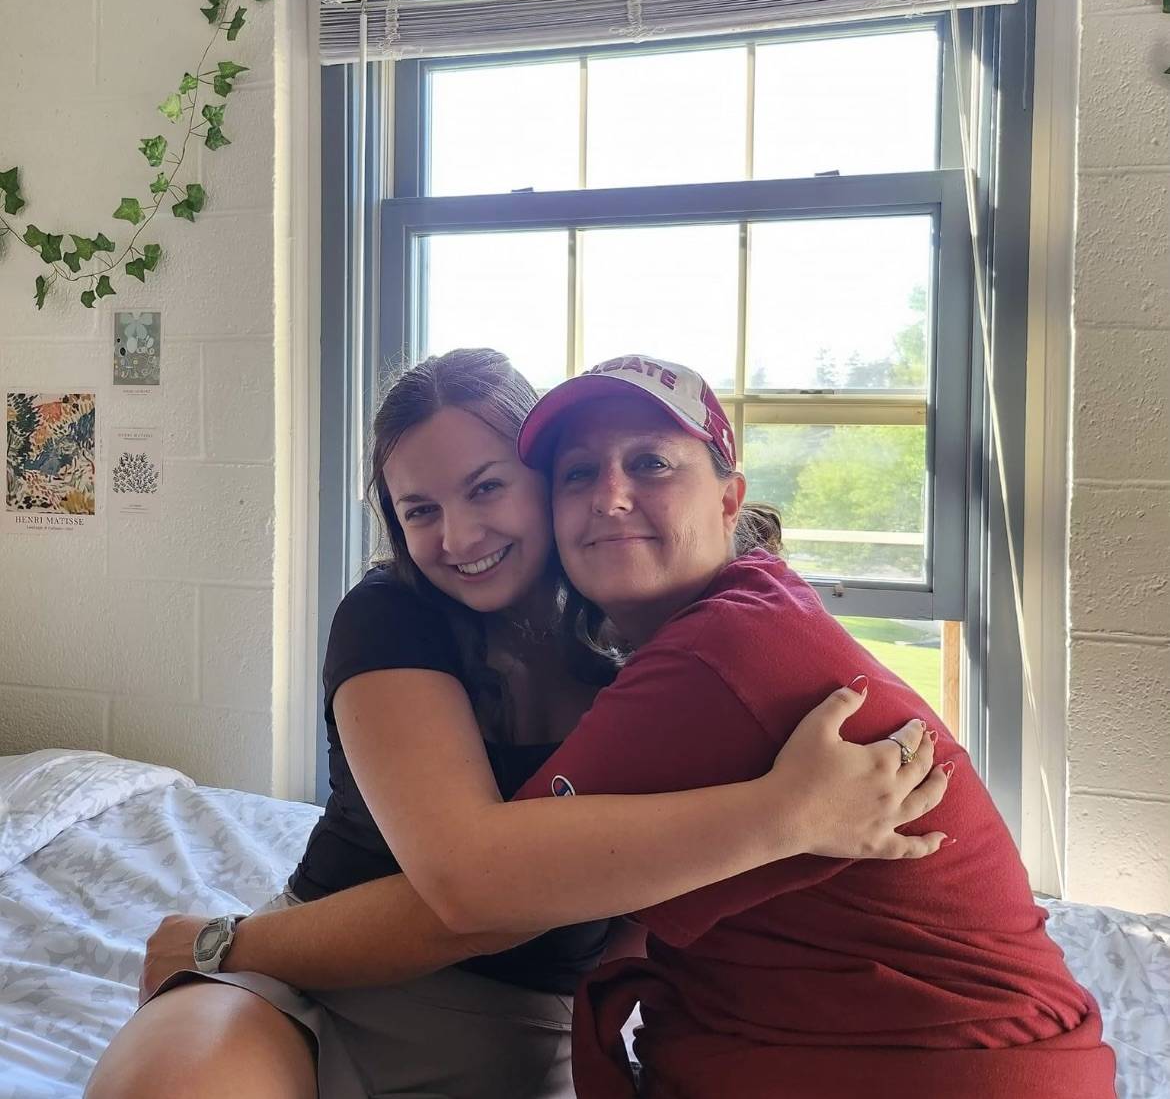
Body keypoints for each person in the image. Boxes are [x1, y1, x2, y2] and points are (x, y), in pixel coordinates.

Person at [86, 348, 946, 1099]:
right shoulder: (389, 613)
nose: (459, 536)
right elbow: (471, 887)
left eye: (486, 488)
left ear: (548, 480)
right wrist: (230, 946)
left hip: (527, 1030)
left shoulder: (648, 635)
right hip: (308, 978)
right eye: (420, 511)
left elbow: (645, 895)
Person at [506, 352, 1117, 1099]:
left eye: (651, 463)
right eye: (577, 473)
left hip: (935, 1066)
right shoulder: (758, 604)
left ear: (729, 501)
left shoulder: (716, 652)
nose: (609, 496)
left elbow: (483, 890)